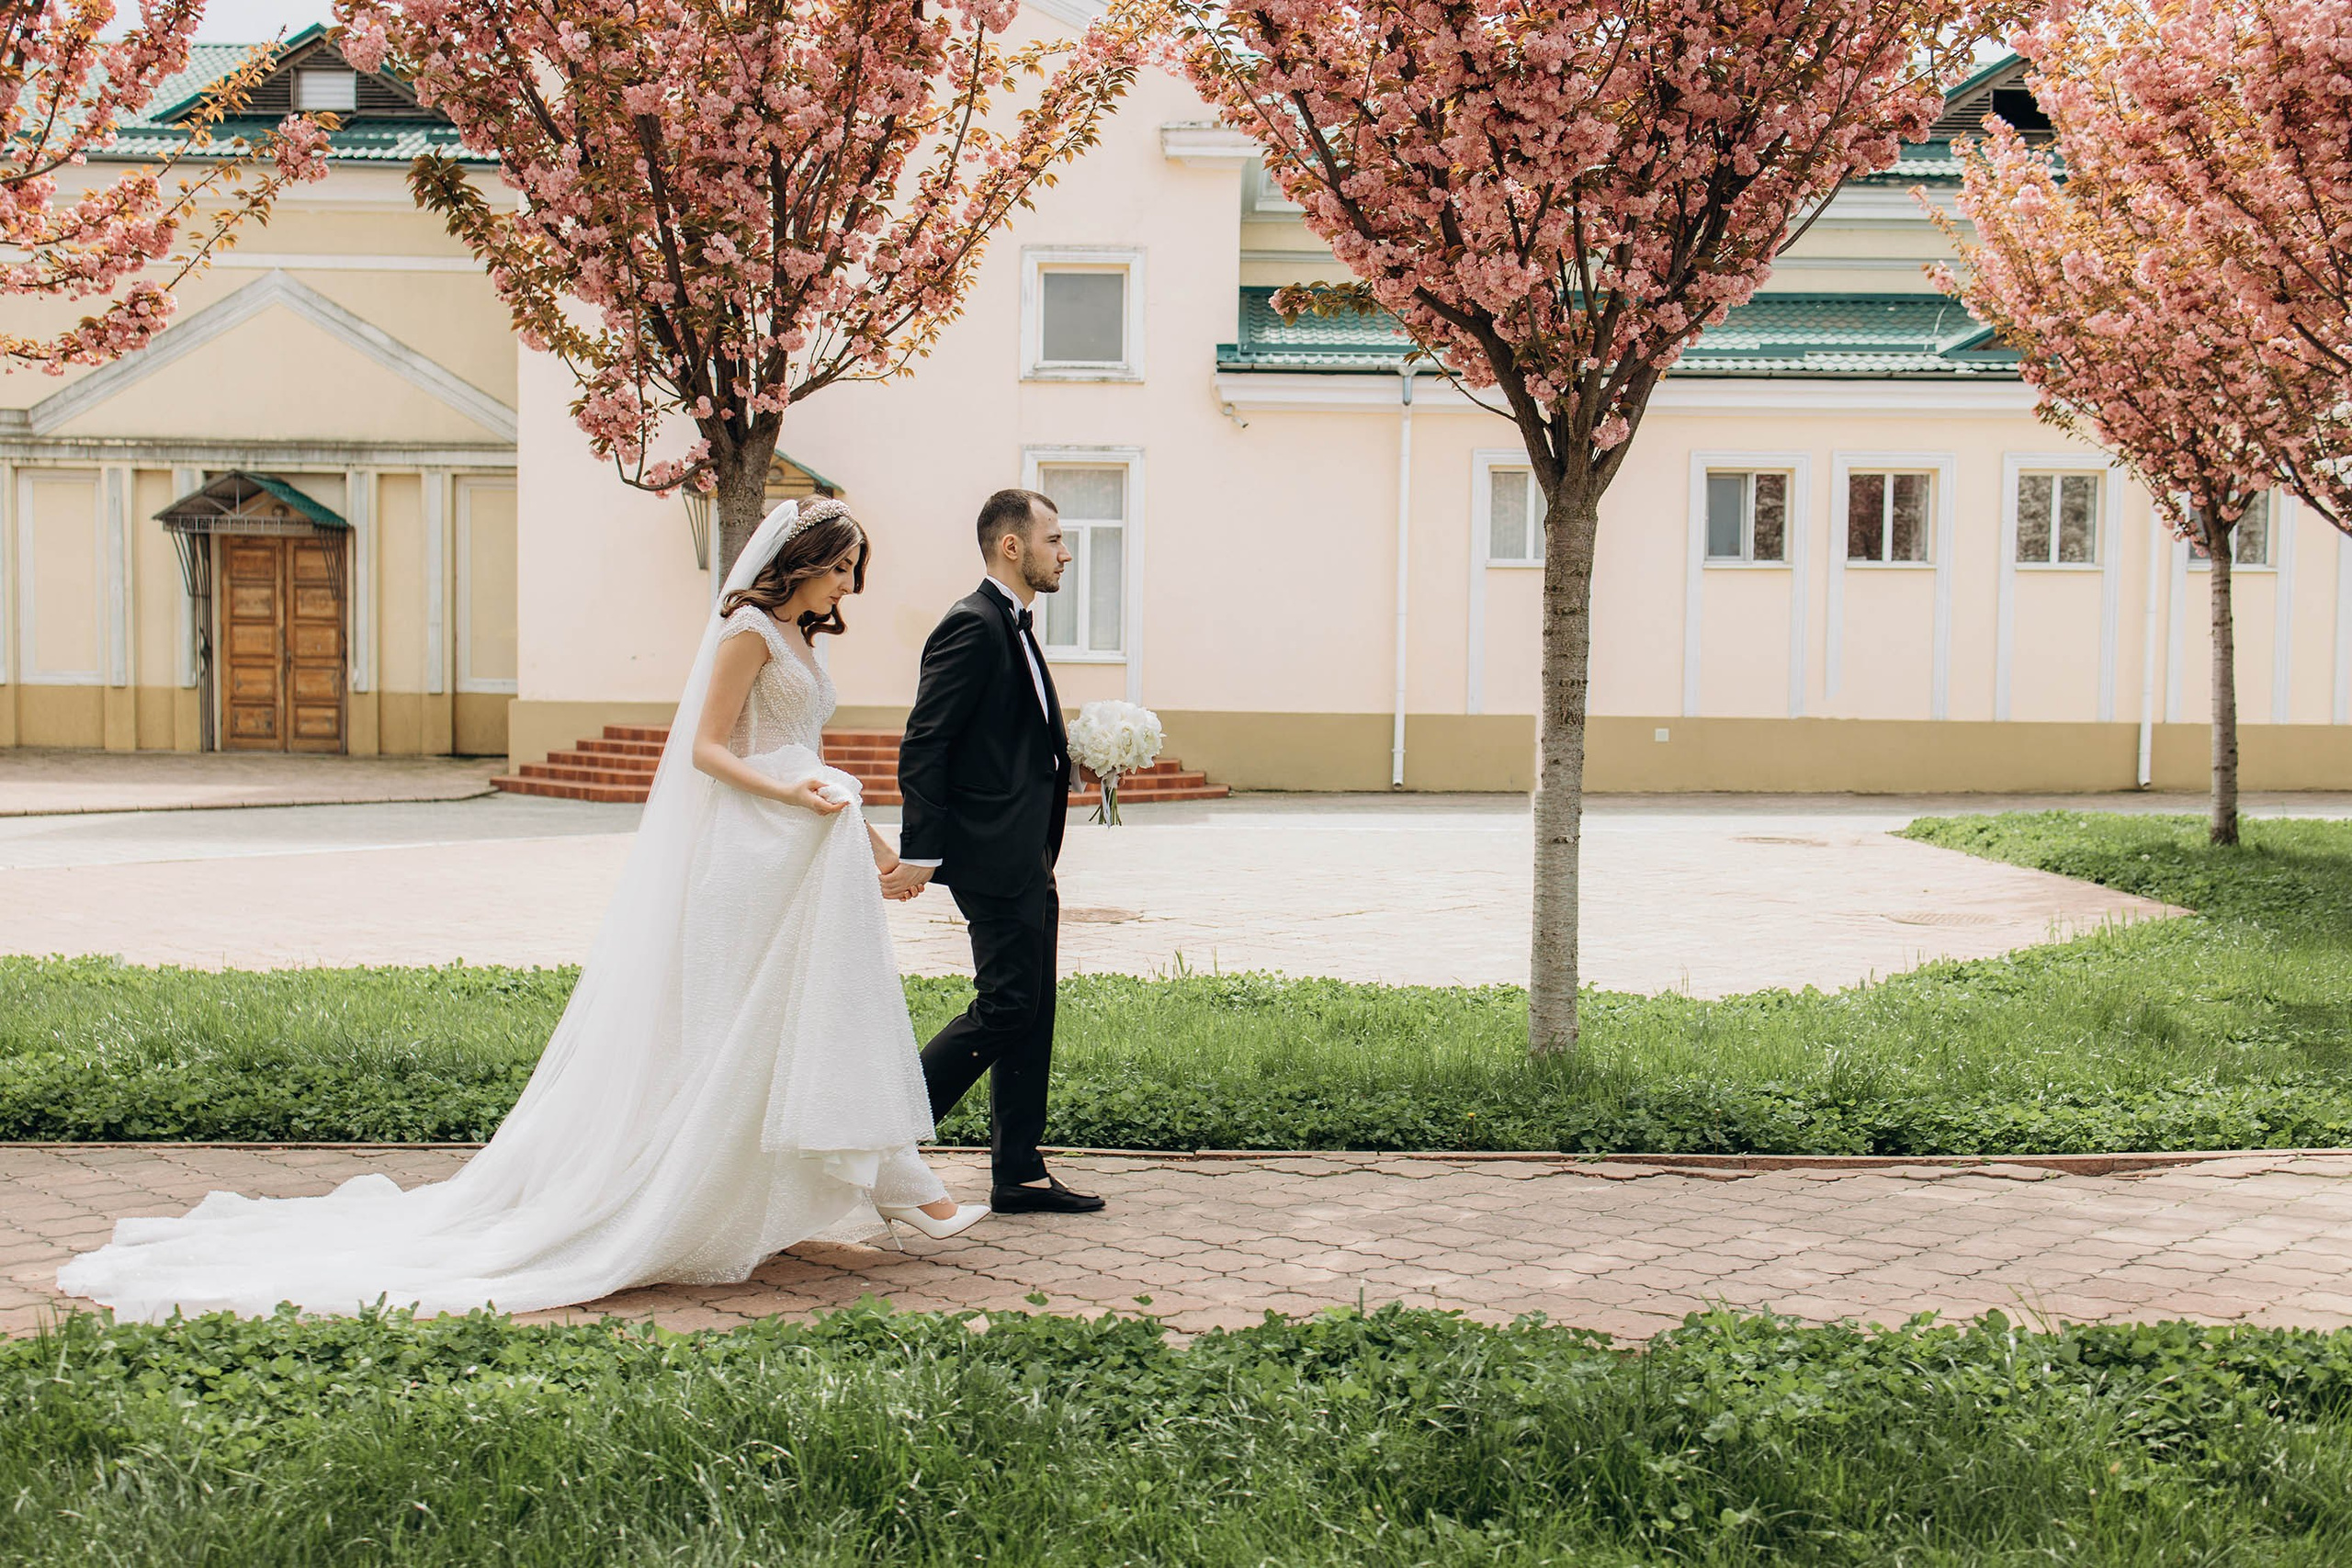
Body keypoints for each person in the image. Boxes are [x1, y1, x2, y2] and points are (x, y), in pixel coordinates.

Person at [58, 499, 985, 1324]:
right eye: (839, 567)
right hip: (749, 856)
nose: (847, 585)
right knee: (734, 1030)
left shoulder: (802, 644)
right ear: (802, 563)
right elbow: (706, 751)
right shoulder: (745, 633)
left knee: (802, 1022)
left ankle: (847, 1184)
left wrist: (874, 852)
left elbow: (808, 760)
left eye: (851, 572)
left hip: (801, 852)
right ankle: (792, 1188)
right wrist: (793, 804)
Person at [882, 489, 1105, 1215]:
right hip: (991, 853)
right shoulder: (972, 625)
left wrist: (1075, 766)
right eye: (1055, 538)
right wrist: (922, 847)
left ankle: (1019, 1169)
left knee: (1030, 1007)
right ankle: (886, 1138)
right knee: (1007, 1004)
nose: (1066, 551)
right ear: (1012, 546)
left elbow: (1011, 740)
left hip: (1027, 853)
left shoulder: (1015, 625)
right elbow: (927, 740)